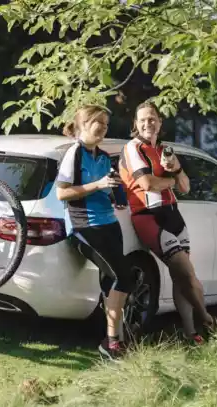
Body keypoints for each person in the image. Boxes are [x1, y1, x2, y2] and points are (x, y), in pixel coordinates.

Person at [118, 100, 214, 344]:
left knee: (183, 276)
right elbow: (147, 184)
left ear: (160, 123)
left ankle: (191, 332)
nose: (148, 123)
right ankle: (207, 319)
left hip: (173, 214)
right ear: (136, 125)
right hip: (148, 216)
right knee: (185, 271)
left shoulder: (165, 150)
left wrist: (177, 168)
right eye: (143, 120)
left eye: (152, 119)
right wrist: (171, 181)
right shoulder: (132, 148)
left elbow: (186, 186)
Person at [55, 105, 134, 361]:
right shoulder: (74, 154)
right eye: (98, 122)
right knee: (124, 276)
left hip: (110, 223)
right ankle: (111, 342)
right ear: (84, 124)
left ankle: (115, 341)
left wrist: (116, 194)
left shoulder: (103, 156)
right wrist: (97, 184)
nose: (103, 127)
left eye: (106, 123)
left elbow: (109, 187)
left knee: (110, 282)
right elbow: (62, 193)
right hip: (85, 227)